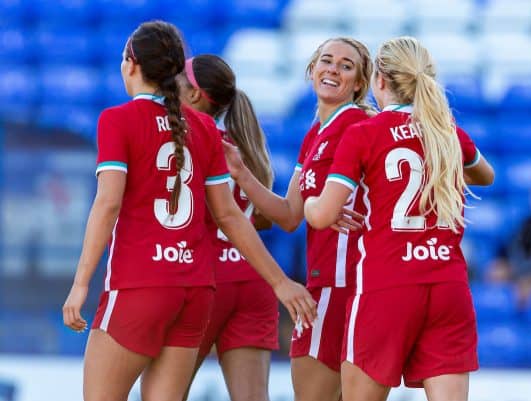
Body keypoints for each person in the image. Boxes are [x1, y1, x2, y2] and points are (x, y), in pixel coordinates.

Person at [61, 21, 316, 401]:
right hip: (194, 291)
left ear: (131, 64)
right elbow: (230, 217)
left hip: (139, 284)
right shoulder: (204, 127)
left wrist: (80, 283)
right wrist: (281, 282)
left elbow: (108, 203)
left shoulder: (117, 119)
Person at [303, 36, 494, 401]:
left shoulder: (364, 133)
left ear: (379, 81)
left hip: (386, 284)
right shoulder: (447, 133)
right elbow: (486, 175)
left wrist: (311, 202)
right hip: (448, 285)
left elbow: (324, 215)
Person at [222, 37, 374, 401]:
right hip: (326, 283)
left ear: (359, 83)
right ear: (311, 70)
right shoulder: (314, 136)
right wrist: (242, 173)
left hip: (343, 284)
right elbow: (290, 215)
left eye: (346, 65)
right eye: (327, 60)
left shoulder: (358, 124)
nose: (333, 69)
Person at [176, 54, 278, 401]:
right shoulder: (245, 146)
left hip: (204, 277)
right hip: (253, 279)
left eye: (177, 79)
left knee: (163, 394)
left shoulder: (186, 139)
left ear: (193, 94)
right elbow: (262, 218)